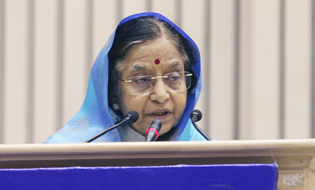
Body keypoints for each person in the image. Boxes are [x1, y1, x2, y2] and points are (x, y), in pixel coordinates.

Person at [45, 12, 206, 143]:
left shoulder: (212, 158)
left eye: (173, 77)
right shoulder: (69, 156)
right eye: (142, 80)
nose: (161, 95)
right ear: (114, 92)